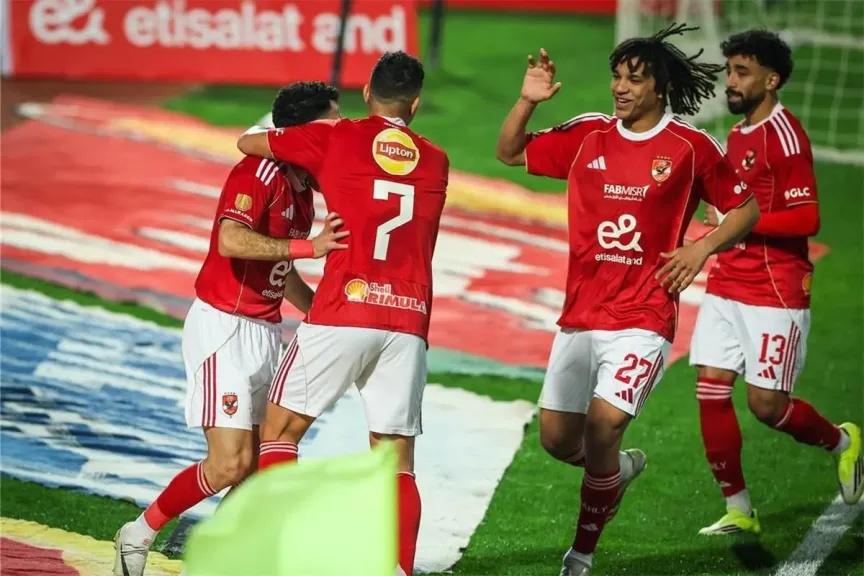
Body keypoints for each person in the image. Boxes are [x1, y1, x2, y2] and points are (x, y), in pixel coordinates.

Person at [496, 23, 760, 575]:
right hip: (581, 315)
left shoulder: (690, 148)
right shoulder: (588, 134)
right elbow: (509, 152)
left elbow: (745, 208)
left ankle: (581, 555)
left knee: (604, 426)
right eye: (617, 77)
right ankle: (616, 474)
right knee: (556, 440)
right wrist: (527, 100)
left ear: (661, 88)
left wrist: (702, 247)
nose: (620, 87)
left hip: (644, 315)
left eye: (634, 79)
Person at [112, 81, 347, 576]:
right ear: (303, 130)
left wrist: (320, 311)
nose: (340, 130)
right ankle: (139, 533)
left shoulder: (304, 188)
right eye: (331, 122)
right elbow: (231, 240)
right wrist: (311, 247)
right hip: (224, 329)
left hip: (264, 332)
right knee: (228, 465)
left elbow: (281, 268)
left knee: (258, 470)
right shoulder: (258, 170)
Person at [236, 51, 448, 576]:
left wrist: (312, 138)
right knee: (396, 459)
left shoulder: (336, 136)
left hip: (343, 308)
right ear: (415, 104)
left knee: (279, 432)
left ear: (366, 93)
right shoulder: (437, 160)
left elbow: (248, 142)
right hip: (407, 320)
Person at [690, 28, 863, 536]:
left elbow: (807, 218)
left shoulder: (785, 137)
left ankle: (843, 442)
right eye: (730, 71)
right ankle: (739, 508)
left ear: (772, 80)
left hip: (775, 288)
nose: (731, 81)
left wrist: (740, 221)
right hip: (729, 280)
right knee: (710, 388)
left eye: (742, 72)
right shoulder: (738, 134)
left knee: (767, 406)